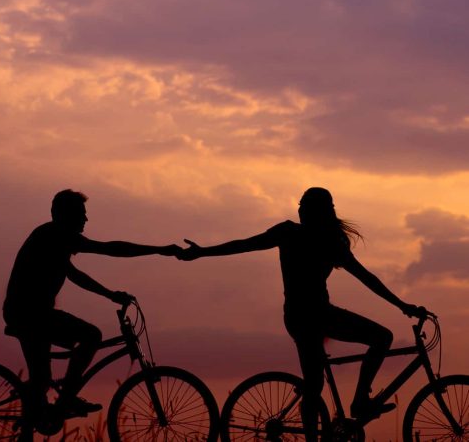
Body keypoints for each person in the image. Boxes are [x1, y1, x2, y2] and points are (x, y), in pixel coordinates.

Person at [177, 187, 426, 441]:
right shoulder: (301, 235)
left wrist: (402, 305)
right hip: (309, 316)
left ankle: (356, 404)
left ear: (317, 212)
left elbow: (367, 278)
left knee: (331, 372)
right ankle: (357, 404)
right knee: (338, 367)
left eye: (304, 206)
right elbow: (244, 245)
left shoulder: (319, 240)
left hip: (310, 315)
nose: (299, 210)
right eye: (300, 205)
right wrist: (203, 252)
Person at [3, 189, 181, 420]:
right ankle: (66, 397)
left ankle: (40, 408)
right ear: (66, 215)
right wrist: (158, 250)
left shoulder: (54, 239)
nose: (86, 219)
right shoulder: (54, 235)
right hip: (28, 315)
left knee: (41, 380)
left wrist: (110, 294)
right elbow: (109, 249)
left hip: (33, 314)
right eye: (81, 214)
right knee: (90, 336)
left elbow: (74, 274)